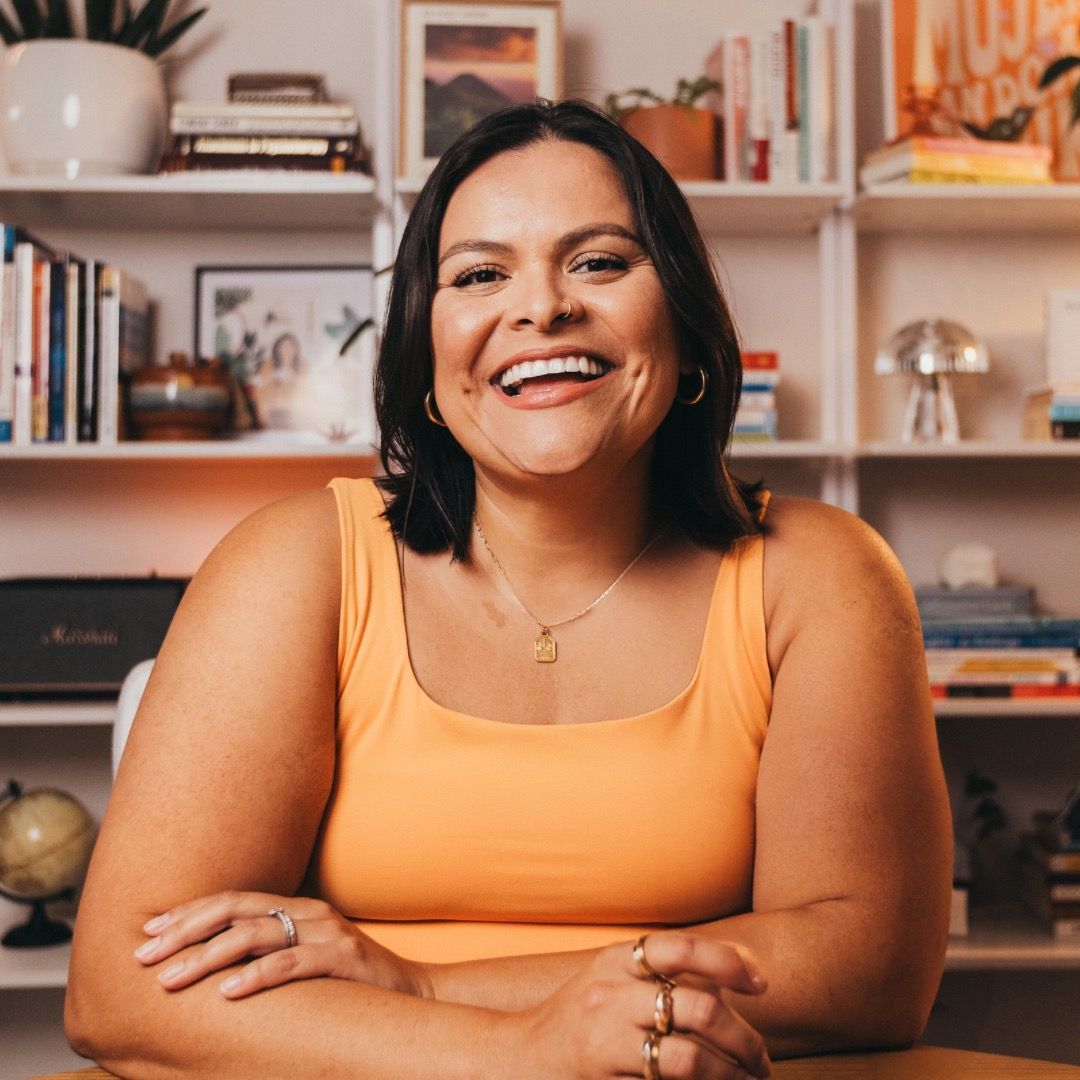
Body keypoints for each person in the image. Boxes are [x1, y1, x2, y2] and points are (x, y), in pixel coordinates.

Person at [66, 100, 951, 1080]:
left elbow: (869, 967)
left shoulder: (822, 573)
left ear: (688, 331)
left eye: (601, 262)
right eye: (480, 274)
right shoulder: (296, 563)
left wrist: (421, 985)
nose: (542, 309)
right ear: (429, 362)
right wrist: (524, 1048)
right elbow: (121, 989)